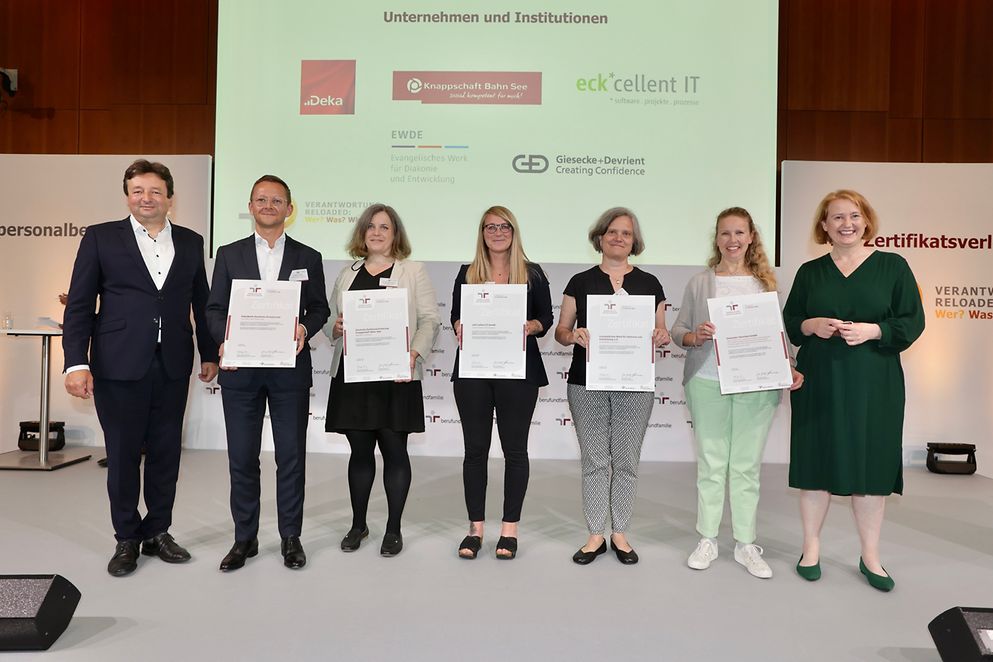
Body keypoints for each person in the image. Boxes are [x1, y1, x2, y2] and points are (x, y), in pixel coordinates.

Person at [62, 159, 218, 577]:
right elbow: (79, 305)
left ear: (170, 197)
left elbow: (200, 303)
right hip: (117, 364)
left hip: (171, 365)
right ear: (127, 196)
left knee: (167, 453)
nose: (146, 198)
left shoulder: (189, 241)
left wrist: (209, 353)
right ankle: (126, 538)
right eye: (137, 191)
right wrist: (76, 362)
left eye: (154, 191)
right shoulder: (100, 238)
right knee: (124, 455)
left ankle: (158, 532)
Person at [784, 190, 924, 591]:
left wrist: (874, 330)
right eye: (836, 217)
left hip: (874, 380)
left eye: (854, 216)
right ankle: (810, 548)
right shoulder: (810, 272)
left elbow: (912, 322)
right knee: (816, 463)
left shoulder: (893, 266)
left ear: (866, 221)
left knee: (870, 467)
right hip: (820, 378)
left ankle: (871, 556)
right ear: (823, 226)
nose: (846, 224)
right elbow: (792, 321)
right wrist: (811, 325)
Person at [671, 207, 804, 579]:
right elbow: (680, 329)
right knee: (712, 464)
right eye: (725, 233)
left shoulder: (766, 285)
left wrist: (789, 365)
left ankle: (746, 544)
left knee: (745, 467)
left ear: (750, 238)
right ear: (717, 239)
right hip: (708, 381)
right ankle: (708, 539)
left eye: (739, 233)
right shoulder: (701, 282)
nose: (732, 240)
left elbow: (779, 333)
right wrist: (695, 335)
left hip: (756, 383)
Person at [206, 175, 330, 572]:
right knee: (242, 457)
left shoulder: (308, 257)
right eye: (261, 199)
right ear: (251, 205)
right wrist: (222, 340)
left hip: (289, 371)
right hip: (241, 370)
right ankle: (245, 538)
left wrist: (305, 328)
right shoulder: (228, 254)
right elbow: (213, 309)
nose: (269, 205)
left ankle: (290, 537)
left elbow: (320, 309)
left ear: (289, 210)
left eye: (277, 200)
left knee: (291, 457)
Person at [555, 207, 670, 565]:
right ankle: (594, 535)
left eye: (626, 233)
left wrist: (662, 335)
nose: (619, 238)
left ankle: (619, 533)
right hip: (586, 381)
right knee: (594, 459)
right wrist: (574, 335)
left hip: (634, 382)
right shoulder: (580, 282)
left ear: (634, 242)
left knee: (626, 459)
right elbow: (560, 332)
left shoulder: (650, 284)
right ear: (600, 237)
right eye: (612, 232)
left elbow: (660, 329)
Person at [324, 204, 440, 557]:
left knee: (394, 451)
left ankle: (393, 529)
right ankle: (358, 525)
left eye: (384, 227)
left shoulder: (413, 271)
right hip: (354, 375)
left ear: (395, 235)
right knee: (360, 453)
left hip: (396, 375)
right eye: (370, 226)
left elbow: (430, 321)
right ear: (362, 233)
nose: (376, 232)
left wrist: (413, 355)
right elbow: (331, 320)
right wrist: (336, 327)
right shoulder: (347, 273)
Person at [450, 206, 553, 560]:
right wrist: (458, 326)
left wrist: (532, 327)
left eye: (504, 226)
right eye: (490, 227)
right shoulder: (467, 274)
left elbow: (546, 318)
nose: (497, 232)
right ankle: (475, 529)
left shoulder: (533, 273)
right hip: (475, 371)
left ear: (514, 231)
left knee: (515, 450)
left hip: (518, 372)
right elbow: (455, 316)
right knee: (475, 451)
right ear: (481, 232)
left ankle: (509, 530)